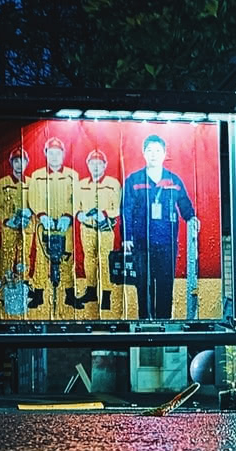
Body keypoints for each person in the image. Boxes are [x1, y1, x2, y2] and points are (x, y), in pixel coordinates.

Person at [121, 133, 198, 323]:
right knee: (144, 287)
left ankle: (164, 324)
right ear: (143, 153)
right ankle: (144, 325)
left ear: (164, 154)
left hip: (167, 245)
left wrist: (192, 218)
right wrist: (127, 237)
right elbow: (126, 209)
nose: (153, 155)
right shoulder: (134, 180)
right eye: (149, 151)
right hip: (141, 245)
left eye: (157, 151)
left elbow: (185, 205)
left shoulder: (174, 181)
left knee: (165, 286)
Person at [26, 137, 81, 316]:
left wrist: (68, 215)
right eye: (51, 153)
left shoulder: (72, 175)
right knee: (42, 261)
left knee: (66, 260)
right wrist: (41, 215)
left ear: (64, 154)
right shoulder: (37, 175)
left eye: (58, 153)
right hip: (44, 226)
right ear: (45, 154)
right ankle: (39, 294)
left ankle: (68, 295)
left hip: (65, 227)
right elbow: (32, 198)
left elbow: (77, 199)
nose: (55, 156)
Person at [74, 147, 123, 314]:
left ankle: (107, 294)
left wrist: (104, 214)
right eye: (92, 163)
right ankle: (91, 290)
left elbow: (117, 208)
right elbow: (75, 205)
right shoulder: (81, 185)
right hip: (87, 228)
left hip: (105, 228)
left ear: (105, 165)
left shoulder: (112, 184)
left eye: (99, 164)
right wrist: (78, 214)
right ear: (87, 165)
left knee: (105, 260)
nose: (95, 167)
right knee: (89, 258)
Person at [0, 148, 32, 313]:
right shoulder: (2, 183)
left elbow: (37, 204)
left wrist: (29, 215)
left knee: (24, 259)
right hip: (8, 228)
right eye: (16, 160)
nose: (19, 164)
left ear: (27, 163)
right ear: (11, 163)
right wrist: (7, 220)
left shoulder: (31, 183)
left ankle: (22, 293)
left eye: (22, 160)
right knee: (7, 258)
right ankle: (4, 296)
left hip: (27, 229)